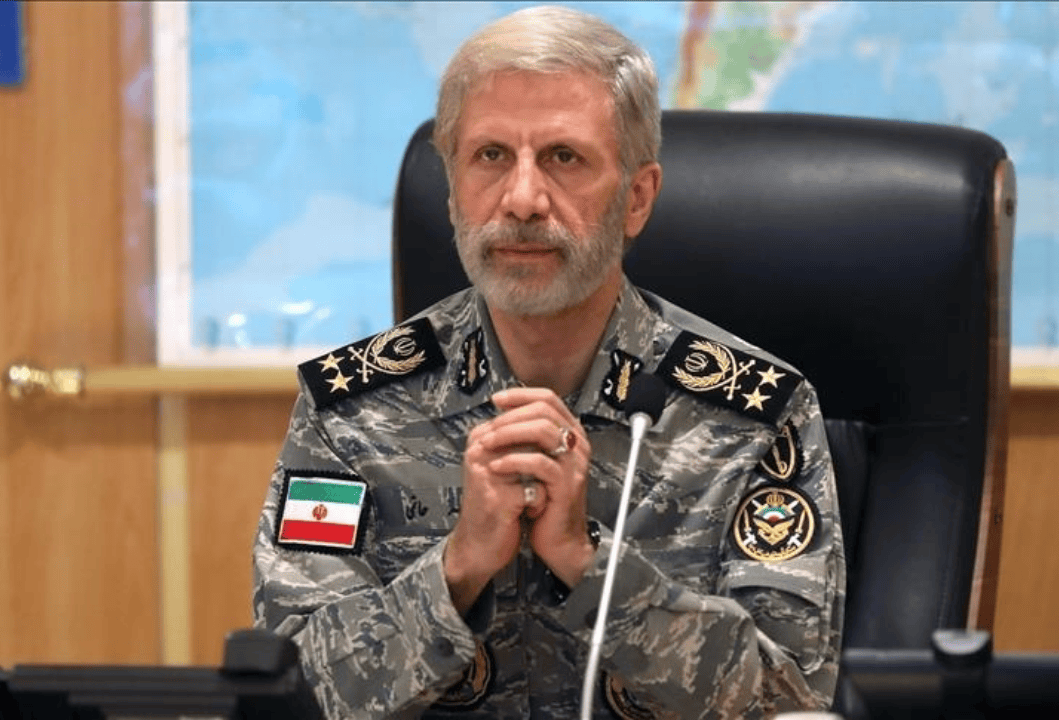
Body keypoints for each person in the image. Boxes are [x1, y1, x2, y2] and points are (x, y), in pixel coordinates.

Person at [252, 5, 845, 718]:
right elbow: (296, 695)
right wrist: (458, 567)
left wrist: (589, 563)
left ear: (637, 198)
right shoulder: (352, 412)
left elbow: (791, 700)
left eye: (564, 157)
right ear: (452, 193)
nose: (524, 199)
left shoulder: (752, 414)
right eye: (490, 156)